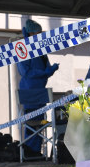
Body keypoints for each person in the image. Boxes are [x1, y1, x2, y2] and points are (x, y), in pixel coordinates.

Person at [16, 19, 59, 157]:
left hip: (40, 92)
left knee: (40, 124)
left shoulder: (40, 50)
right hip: (29, 92)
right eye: (38, 33)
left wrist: (51, 70)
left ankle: (35, 152)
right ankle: (29, 151)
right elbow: (26, 72)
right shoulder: (23, 48)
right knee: (31, 124)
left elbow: (44, 68)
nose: (40, 36)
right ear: (31, 33)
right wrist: (45, 72)